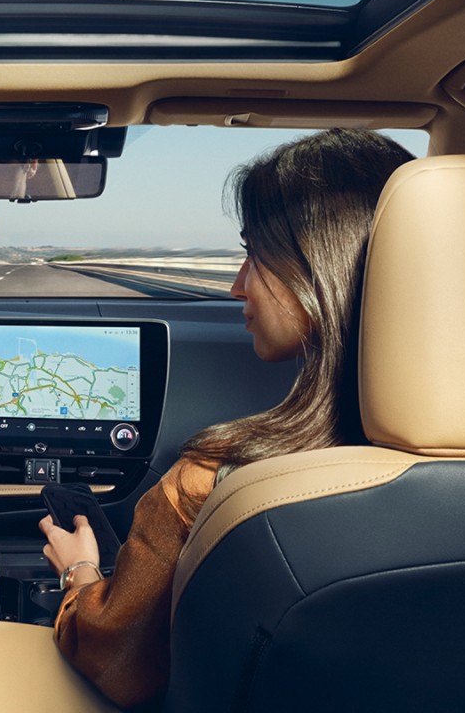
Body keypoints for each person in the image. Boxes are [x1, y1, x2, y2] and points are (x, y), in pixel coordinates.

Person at [37, 128, 414, 708]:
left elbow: (120, 666)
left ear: (322, 265)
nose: (237, 285)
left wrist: (79, 574)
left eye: (254, 254)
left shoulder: (212, 481)